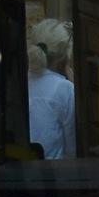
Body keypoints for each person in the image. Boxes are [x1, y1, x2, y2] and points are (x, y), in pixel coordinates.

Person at [26, 17, 77, 157]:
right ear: (65, 56)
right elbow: (73, 149)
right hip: (53, 174)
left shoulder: (19, 83)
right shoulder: (64, 90)